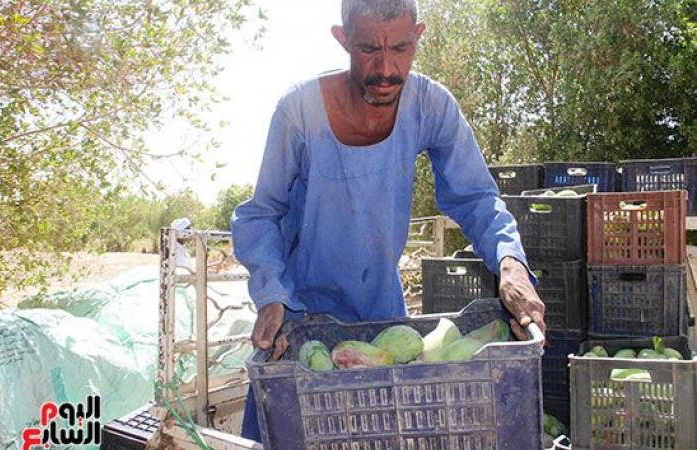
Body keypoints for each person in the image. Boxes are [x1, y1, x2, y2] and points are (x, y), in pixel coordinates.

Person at [231, 0, 546, 442]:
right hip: (298, 322)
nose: (386, 68)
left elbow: (476, 197)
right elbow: (261, 214)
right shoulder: (299, 112)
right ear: (342, 40)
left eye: (400, 48)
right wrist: (271, 296)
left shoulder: (431, 106)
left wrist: (511, 263)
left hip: (381, 318)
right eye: (368, 49)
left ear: (418, 36)